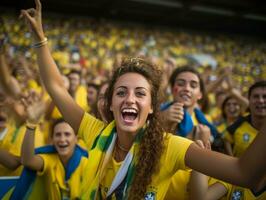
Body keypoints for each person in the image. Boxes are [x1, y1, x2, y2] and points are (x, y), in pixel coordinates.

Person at [20, 1, 266, 199]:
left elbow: (243, 173)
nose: (130, 99)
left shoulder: (170, 147)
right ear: (110, 104)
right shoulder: (96, 134)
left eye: (140, 93)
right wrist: (40, 39)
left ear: (151, 108)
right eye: (121, 92)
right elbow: (56, 87)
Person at [19, 91, 89, 200]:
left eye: (67, 134)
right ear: (52, 139)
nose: (62, 139)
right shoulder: (49, 160)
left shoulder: (87, 163)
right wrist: (31, 123)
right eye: (58, 135)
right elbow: (27, 161)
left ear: (76, 139)